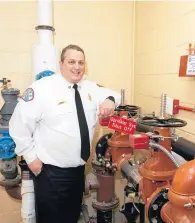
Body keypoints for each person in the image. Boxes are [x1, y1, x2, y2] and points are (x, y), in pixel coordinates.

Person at [9, 44, 121, 223]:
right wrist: (31, 159)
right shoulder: (42, 88)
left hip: (77, 171)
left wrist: (110, 100)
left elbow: (115, 94)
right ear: (60, 63)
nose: (77, 67)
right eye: (71, 62)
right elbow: (18, 125)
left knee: (71, 217)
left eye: (81, 62)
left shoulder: (89, 87)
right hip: (50, 173)